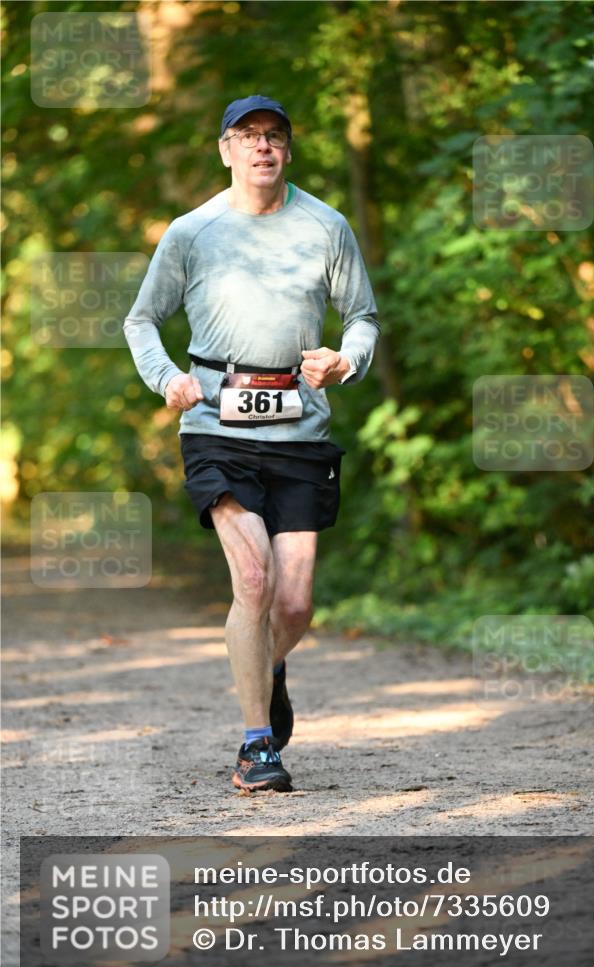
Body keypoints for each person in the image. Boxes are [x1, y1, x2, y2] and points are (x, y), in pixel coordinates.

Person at [124, 95, 379, 793]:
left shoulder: (325, 226)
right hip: (216, 426)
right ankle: (255, 744)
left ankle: (265, 667)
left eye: (274, 136)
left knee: (293, 606)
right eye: (247, 136)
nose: (262, 147)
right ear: (225, 150)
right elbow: (141, 320)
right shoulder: (192, 231)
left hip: (300, 429)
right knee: (255, 581)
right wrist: (167, 378)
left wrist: (345, 360)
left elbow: (361, 315)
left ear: (288, 151)